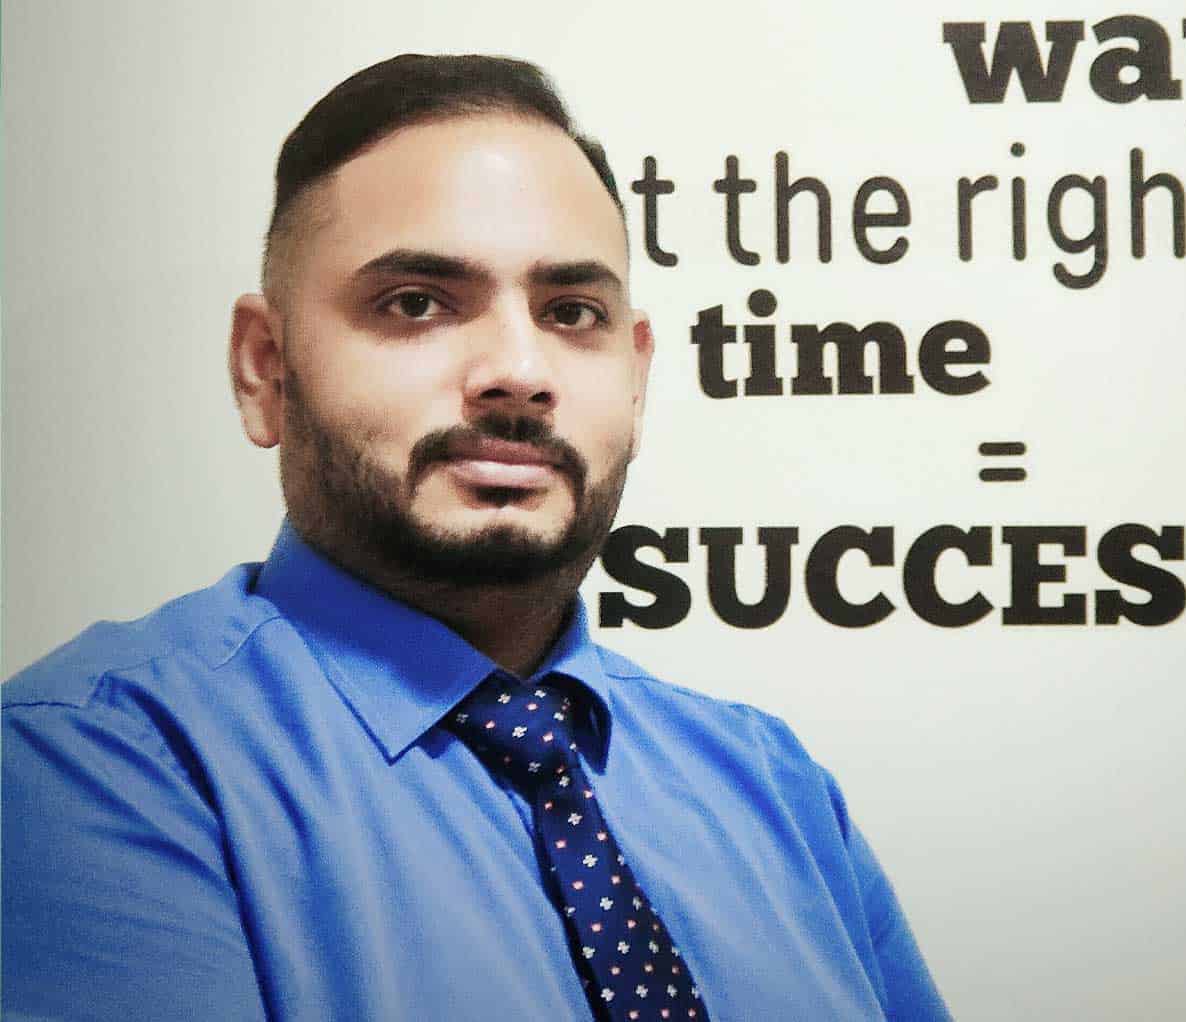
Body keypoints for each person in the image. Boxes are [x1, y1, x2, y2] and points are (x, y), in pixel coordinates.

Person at [2, 54, 950, 1021]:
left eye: (573, 313)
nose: (518, 370)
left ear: (635, 374)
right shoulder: (96, 763)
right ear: (265, 370)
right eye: (418, 302)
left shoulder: (774, 787)